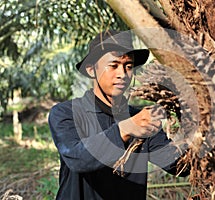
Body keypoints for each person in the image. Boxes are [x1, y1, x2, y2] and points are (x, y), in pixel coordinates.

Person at [48, 30, 189, 200]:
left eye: (128, 66)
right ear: (92, 69)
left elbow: (178, 166)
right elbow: (77, 158)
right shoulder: (66, 113)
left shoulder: (140, 118)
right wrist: (126, 129)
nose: (122, 74)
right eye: (113, 65)